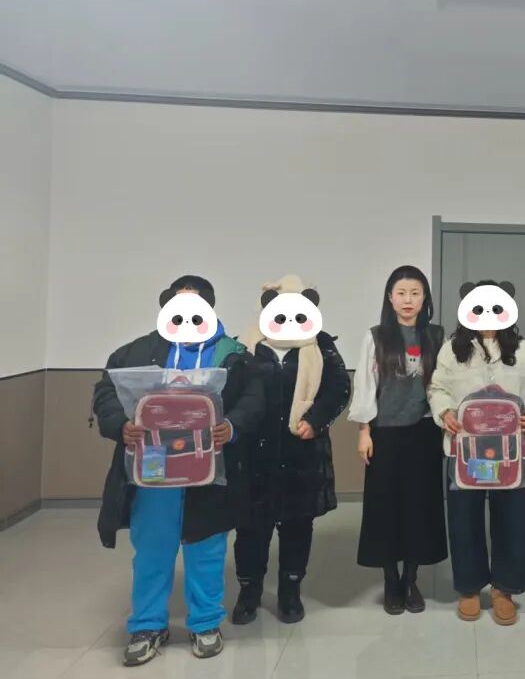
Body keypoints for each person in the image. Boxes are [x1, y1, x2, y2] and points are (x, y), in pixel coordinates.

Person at [91, 275, 264, 666]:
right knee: (153, 550)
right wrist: (120, 425)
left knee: (206, 549)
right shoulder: (135, 353)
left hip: (209, 468)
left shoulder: (234, 355)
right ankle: (148, 625)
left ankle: (205, 623)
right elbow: (105, 392)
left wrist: (232, 426)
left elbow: (254, 400)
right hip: (153, 469)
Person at [231, 275, 352, 626]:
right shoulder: (245, 345)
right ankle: (249, 591)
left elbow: (339, 388)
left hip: (303, 451)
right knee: (251, 527)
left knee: (298, 525)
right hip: (254, 452)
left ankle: (290, 591)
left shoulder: (321, 344)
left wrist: (315, 419)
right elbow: (233, 391)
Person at [429, 280, 525, 626]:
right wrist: (445, 412)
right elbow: (437, 387)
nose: (487, 315)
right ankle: (469, 589)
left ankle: (504, 589)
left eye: (495, 308)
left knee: (511, 519)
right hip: (464, 449)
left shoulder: (522, 349)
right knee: (463, 519)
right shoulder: (451, 349)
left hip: (510, 451)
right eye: (478, 307)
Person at [352, 266, 448, 615]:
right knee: (385, 506)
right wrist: (364, 431)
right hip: (385, 433)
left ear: (425, 298)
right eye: (401, 293)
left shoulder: (436, 336)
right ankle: (390, 579)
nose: (408, 300)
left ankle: (411, 579)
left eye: (415, 293)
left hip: (425, 432)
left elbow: (444, 384)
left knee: (420, 506)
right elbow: (365, 385)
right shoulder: (376, 337)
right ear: (390, 297)